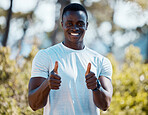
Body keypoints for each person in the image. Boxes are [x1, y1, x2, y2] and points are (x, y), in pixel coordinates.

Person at [28, 3, 113, 115]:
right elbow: (34, 105)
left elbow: (105, 105)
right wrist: (47, 84)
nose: (75, 28)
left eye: (80, 24)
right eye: (69, 23)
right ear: (62, 24)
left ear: (86, 25)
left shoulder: (101, 61)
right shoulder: (45, 56)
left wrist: (96, 87)